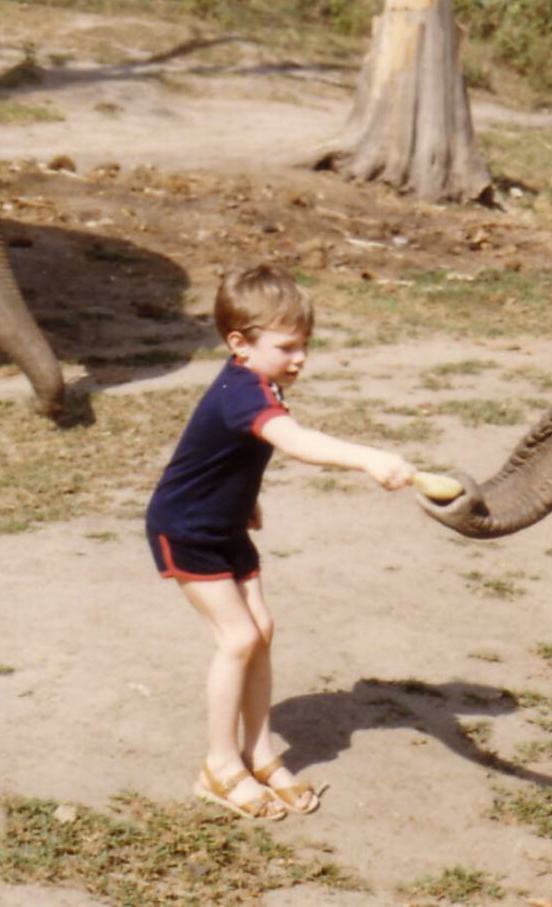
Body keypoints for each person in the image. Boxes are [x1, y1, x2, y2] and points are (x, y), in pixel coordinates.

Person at [146, 264, 416, 819]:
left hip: (225, 522)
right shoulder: (241, 391)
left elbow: (223, 454)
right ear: (239, 343)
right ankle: (219, 768)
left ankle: (259, 750)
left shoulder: (255, 380)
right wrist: (370, 458)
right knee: (238, 637)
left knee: (261, 629)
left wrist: (244, 499)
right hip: (187, 528)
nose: (301, 359)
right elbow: (292, 440)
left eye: (306, 345)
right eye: (288, 346)